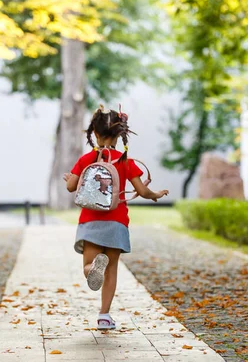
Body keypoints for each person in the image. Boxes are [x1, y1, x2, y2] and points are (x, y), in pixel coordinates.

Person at [63, 105, 169, 330]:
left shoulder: (87, 158)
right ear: (119, 135)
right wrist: (155, 194)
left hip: (90, 220)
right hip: (117, 221)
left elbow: (72, 186)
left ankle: (92, 269)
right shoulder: (125, 161)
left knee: (89, 266)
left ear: (96, 134)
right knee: (111, 271)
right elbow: (142, 191)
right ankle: (104, 316)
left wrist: (68, 179)